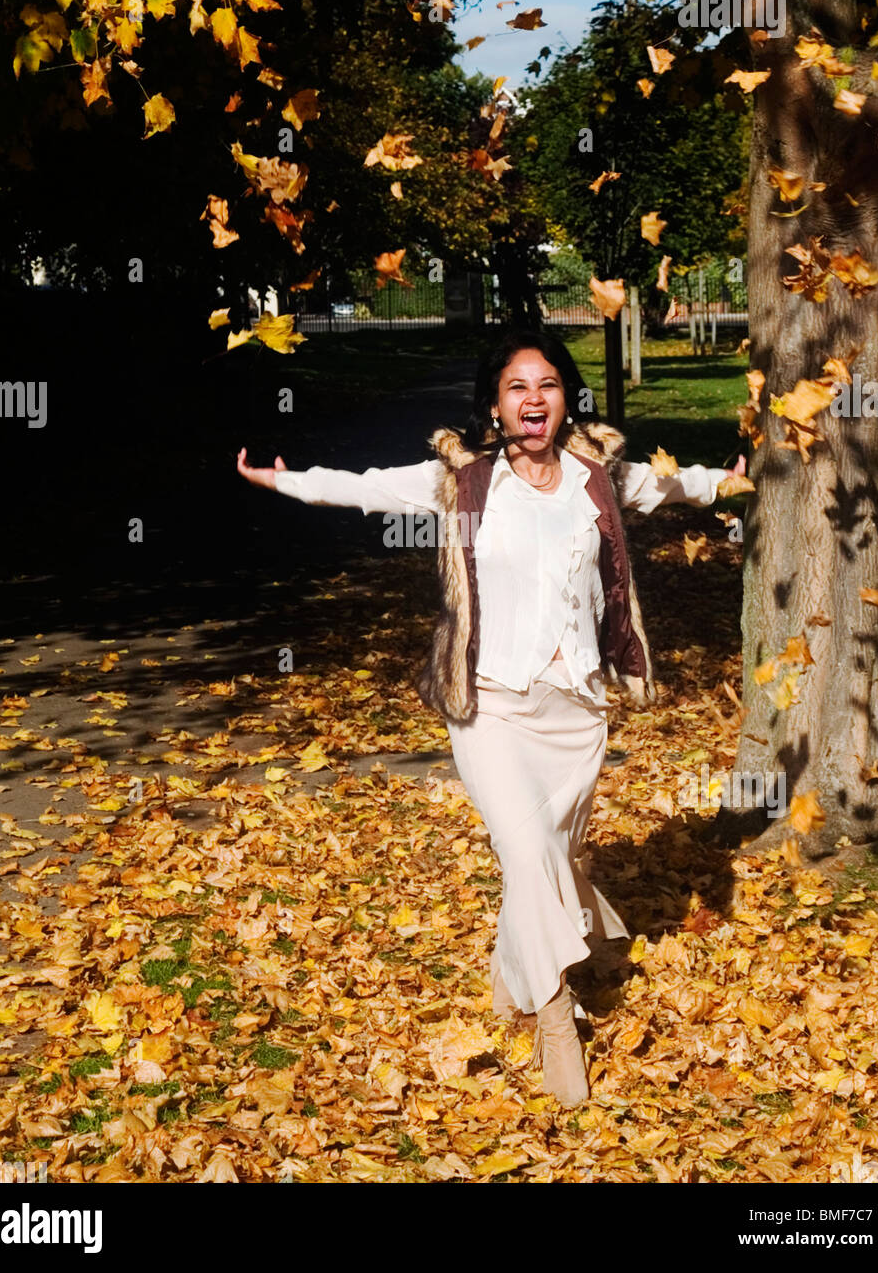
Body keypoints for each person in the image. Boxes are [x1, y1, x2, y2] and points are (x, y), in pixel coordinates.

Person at [237, 328, 745, 1108]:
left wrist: (724, 482)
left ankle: (515, 974)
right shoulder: (465, 483)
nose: (533, 399)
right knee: (525, 846)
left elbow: (665, 486)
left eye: (546, 385)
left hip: (576, 711)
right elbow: (369, 485)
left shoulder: (595, 478)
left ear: (566, 398)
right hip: (491, 705)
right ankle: (553, 1020)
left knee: (548, 857)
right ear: (495, 405)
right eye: (517, 387)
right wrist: (288, 483)